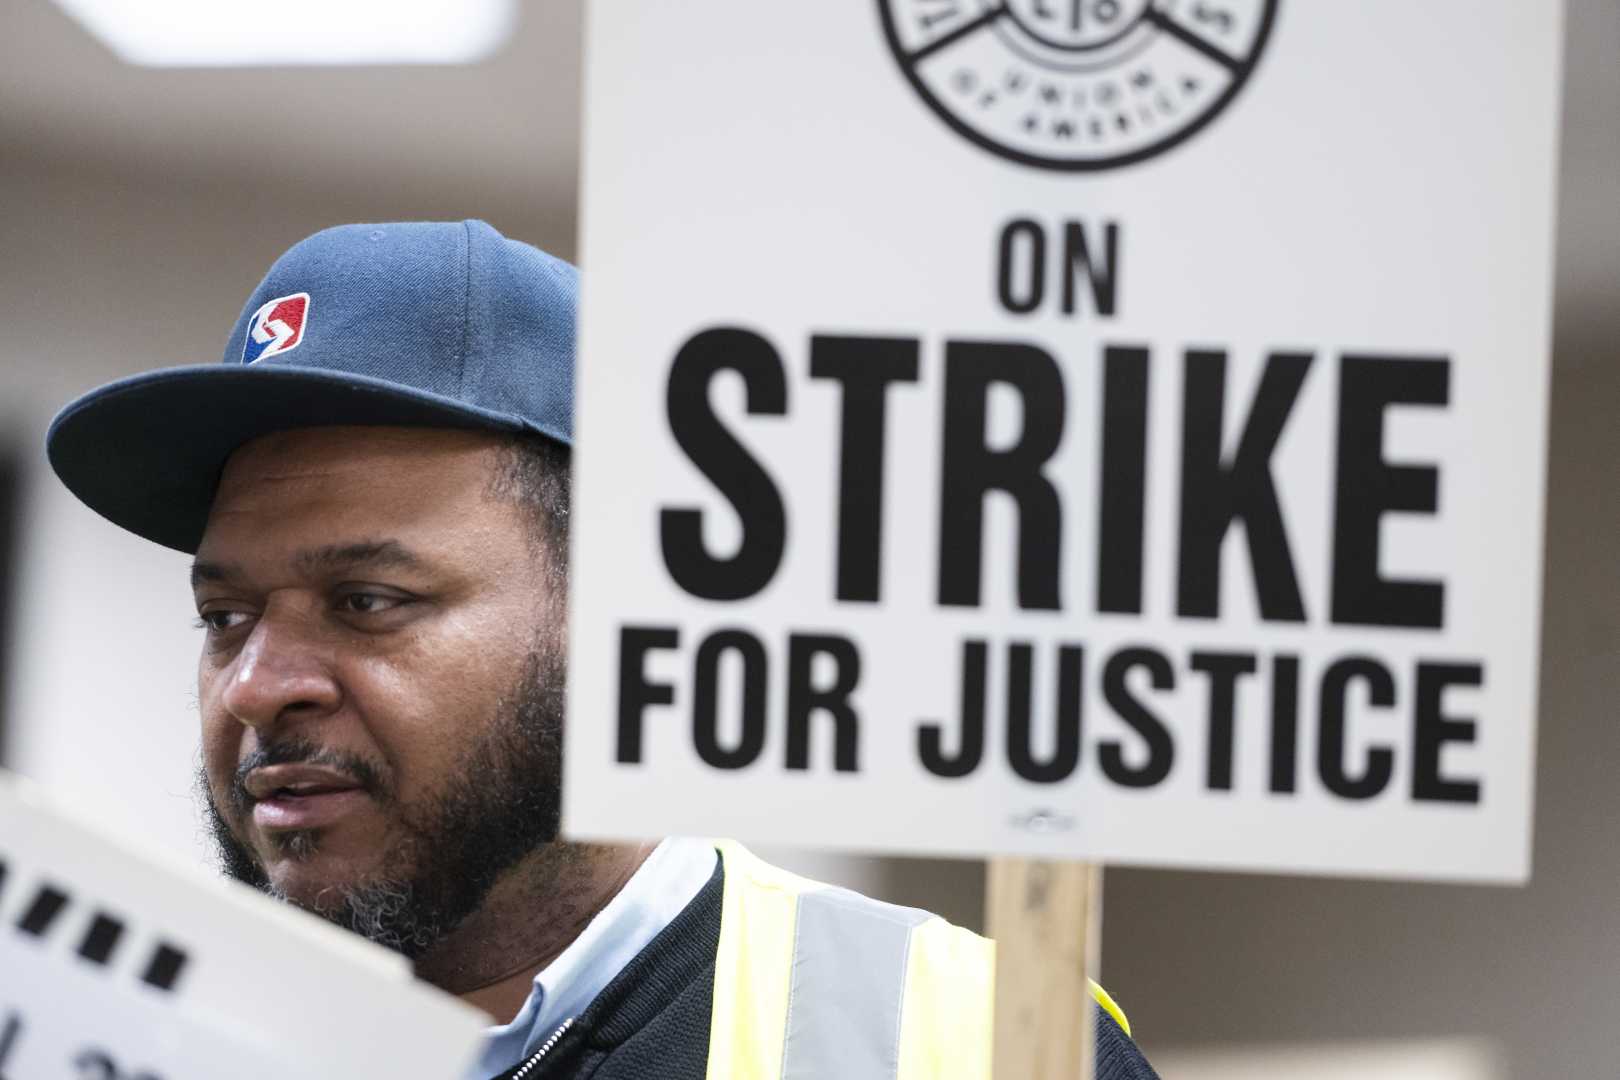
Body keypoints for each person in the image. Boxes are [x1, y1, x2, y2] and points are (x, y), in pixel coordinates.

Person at [46, 220, 1159, 1080]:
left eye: (369, 599)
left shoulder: (973, 1045)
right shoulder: (98, 1030)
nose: (257, 685)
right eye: (224, 617)